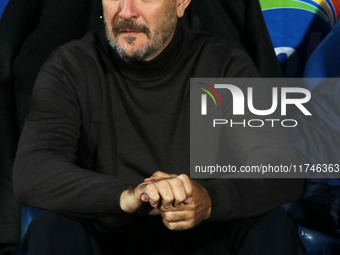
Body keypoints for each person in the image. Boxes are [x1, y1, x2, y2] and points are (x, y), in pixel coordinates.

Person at [13, 0, 304, 254]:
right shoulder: (71, 66)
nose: (127, 12)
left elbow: (281, 168)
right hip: (106, 241)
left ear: (181, 3)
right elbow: (34, 169)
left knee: (271, 226)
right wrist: (128, 196)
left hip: (206, 241)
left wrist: (209, 200)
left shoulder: (224, 65)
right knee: (51, 228)